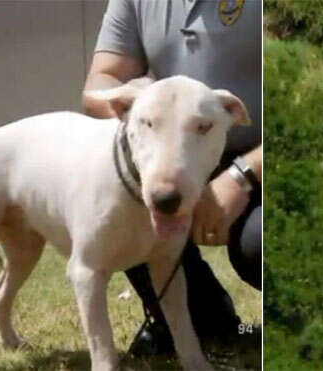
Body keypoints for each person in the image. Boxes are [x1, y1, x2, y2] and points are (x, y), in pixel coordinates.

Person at [82, 0, 261, 357]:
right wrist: (142, 99)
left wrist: (244, 174)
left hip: (266, 155)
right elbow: (100, 85)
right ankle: (205, 322)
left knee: (257, 244)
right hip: (174, 153)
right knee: (122, 195)